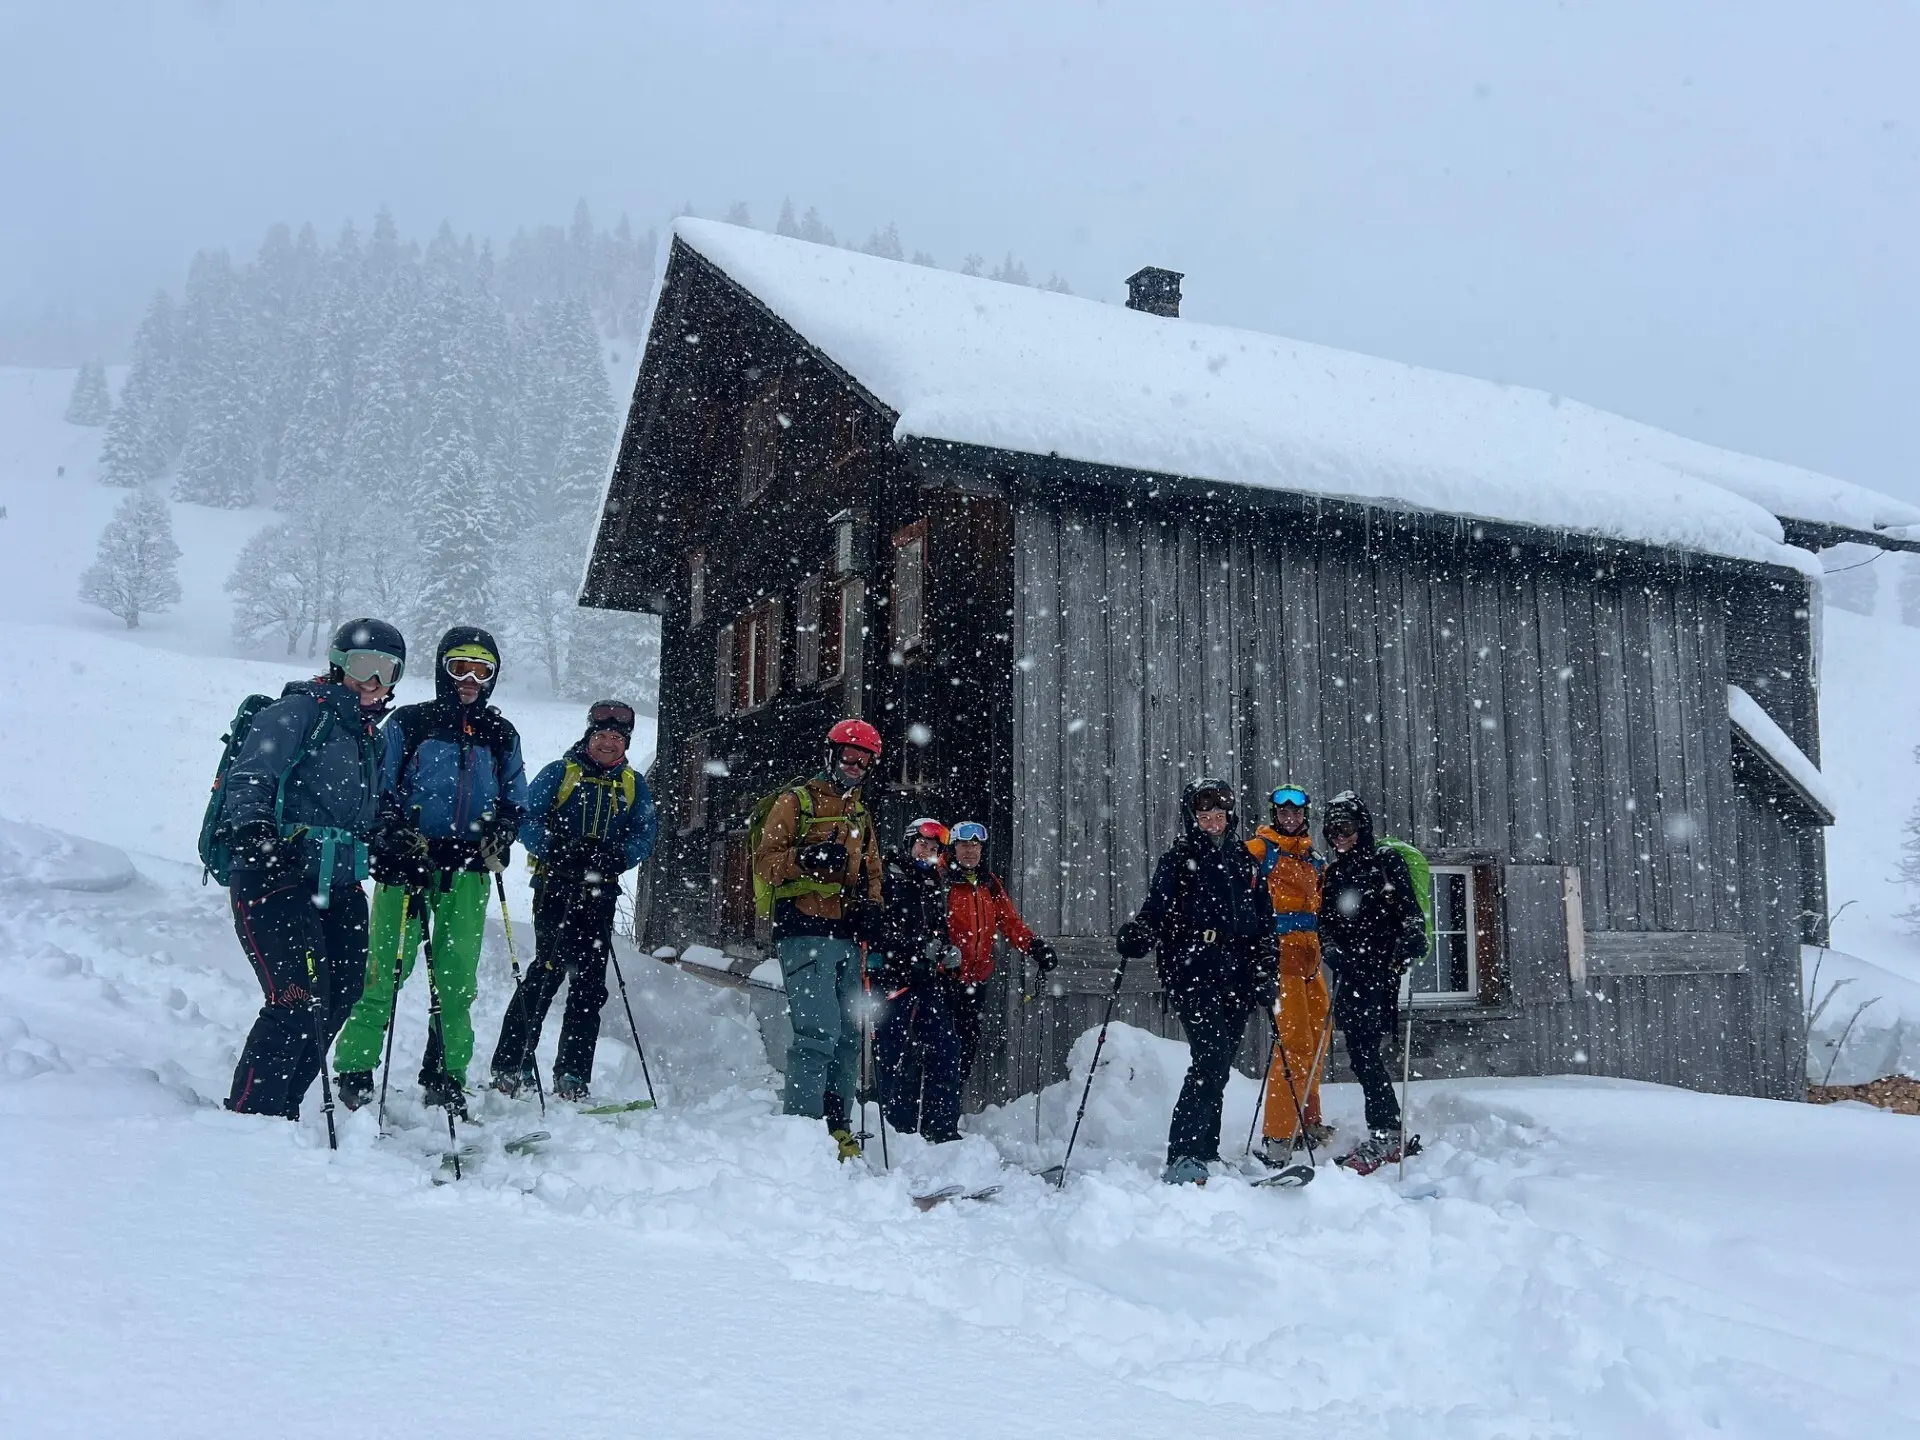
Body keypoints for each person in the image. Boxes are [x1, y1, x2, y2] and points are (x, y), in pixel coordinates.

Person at [332, 626, 527, 1118]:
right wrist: (394, 834)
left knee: (456, 978)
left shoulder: (500, 733)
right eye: (458, 666)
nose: (469, 679)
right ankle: (355, 1068)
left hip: (467, 870)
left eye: (481, 670)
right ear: (442, 669)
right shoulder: (411, 723)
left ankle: (444, 1072)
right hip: (408, 867)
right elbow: (381, 785)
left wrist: (503, 827)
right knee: (385, 970)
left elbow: (514, 793)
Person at [219, 619, 404, 1121]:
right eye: (364, 666)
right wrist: (258, 836)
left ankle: (283, 1114)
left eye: (386, 671)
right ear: (340, 664)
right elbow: (252, 776)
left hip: (340, 883)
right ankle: (249, 1118)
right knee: (296, 998)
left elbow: (369, 809)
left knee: (339, 998)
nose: (373, 681)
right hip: (274, 876)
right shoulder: (299, 712)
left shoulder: (372, 737)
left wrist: (388, 835)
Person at [489, 700, 657, 1102]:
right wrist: (558, 849)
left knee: (589, 986)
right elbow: (528, 819)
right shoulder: (561, 773)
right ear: (588, 737)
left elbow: (644, 834)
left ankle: (573, 1073)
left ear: (626, 744)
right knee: (545, 974)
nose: (608, 744)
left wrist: (616, 856)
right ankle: (512, 1064)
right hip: (556, 888)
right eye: (601, 736)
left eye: (616, 738)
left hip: (601, 894)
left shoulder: (633, 785)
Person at [1115, 777, 1275, 1185]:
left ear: (1230, 817)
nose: (1212, 822)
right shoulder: (1178, 859)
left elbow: (1265, 923)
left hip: (1237, 975)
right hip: (1192, 970)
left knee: (1218, 1063)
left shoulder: (1246, 861)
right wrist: (1138, 935)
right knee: (1210, 1056)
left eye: (1218, 815)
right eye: (1204, 816)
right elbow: (1155, 909)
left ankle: (1206, 1149)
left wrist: (1265, 967)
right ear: (1193, 818)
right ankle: (1183, 1152)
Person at [752, 717, 885, 1158]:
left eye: (864, 760)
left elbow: (873, 871)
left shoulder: (859, 813)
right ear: (831, 755)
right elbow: (765, 861)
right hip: (805, 931)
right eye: (849, 756)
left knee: (849, 1035)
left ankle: (838, 1126)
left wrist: (873, 908)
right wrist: (805, 857)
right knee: (817, 1033)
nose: (855, 765)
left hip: (847, 935)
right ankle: (802, 1135)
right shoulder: (796, 802)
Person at [1316, 790, 1426, 1171]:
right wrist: (1329, 947)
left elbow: (1411, 912)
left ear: (1362, 827)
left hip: (1381, 969)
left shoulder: (1385, 862)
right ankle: (1387, 1129)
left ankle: (1387, 1133)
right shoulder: (1334, 873)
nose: (1339, 837)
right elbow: (1326, 922)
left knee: (1364, 1052)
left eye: (1345, 828)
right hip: (1350, 971)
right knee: (1362, 1053)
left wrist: (1412, 936)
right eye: (1332, 831)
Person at [1245, 785, 1333, 1166]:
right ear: (1274, 813)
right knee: (1293, 1045)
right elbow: (1233, 887)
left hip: (1311, 958)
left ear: (1305, 815)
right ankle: (1278, 1135)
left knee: (1319, 1038)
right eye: (1283, 812)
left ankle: (1307, 1120)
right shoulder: (1260, 850)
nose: (1290, 818)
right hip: (1281, 958)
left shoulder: (1314, 858)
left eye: (1296, 813)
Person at [873, 818, 966, 1143]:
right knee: (892, 1053)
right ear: (909, 842)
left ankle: (941, 1127)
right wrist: (914, 947)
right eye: (923, 844)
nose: (927, 851)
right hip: (892, 979)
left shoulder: (930, 883)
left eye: (934, 849)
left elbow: (937, 929)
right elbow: (877, 931)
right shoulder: (887, 879)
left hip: (926, 979)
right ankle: (892, 1130)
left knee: (946, 1047)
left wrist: (946, 949)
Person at [944, 820, 1055, 1083]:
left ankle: (951, 1112)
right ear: (953, 849)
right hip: (945, 980)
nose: (970, 851)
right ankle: (931, 1118)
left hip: (976, 981)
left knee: (966, 1049)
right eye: (963, 845)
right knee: (941, 1049)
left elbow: (1009, 922)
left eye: (975, 845)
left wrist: (1034, 946)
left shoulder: (988, 883)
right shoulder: (943, 881)